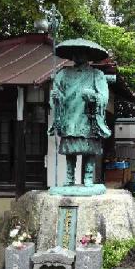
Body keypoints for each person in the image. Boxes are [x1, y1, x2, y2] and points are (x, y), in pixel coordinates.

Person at [48, 40, 115, 187]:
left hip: (87, 117)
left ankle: (88, 177)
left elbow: (104, 97)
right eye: (75, 53)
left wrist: (93, 96)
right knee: (70, 149)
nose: (78, 56)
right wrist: (56, 97)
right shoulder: (63, 74)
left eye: (81, 53)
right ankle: (69, 177)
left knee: (89, 148)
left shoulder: (97, 74)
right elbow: (56, 94)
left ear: (88, 55)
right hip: (69, 117)